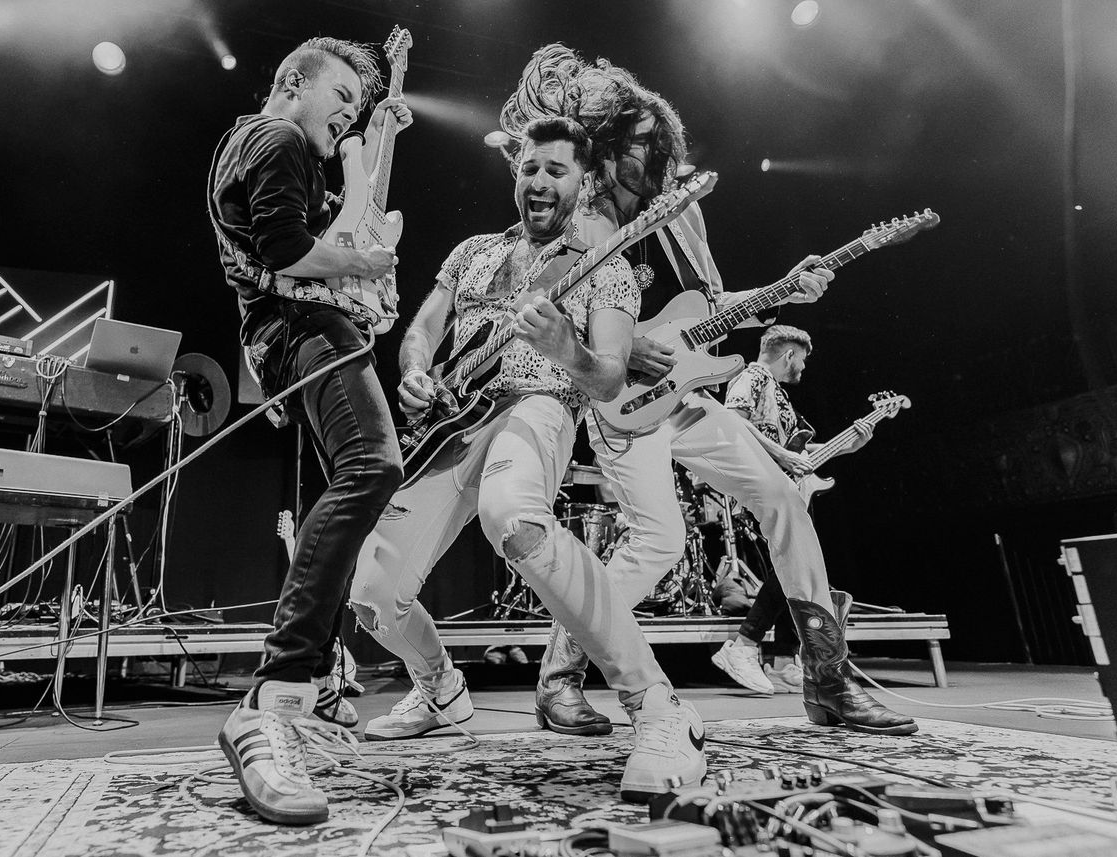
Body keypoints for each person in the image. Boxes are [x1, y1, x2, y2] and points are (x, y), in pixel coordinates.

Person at [498, 45, 917, 737]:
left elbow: (713, 302)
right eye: (643, 145)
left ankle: (828, 679)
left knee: (783, 499)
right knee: (657, 544)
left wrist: (787, 287)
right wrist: (626, 343)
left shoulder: (681, 209)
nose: (658, 156)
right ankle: (560, 672)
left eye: (663, 144)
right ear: (607, 146)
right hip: (620, 405)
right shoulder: (578, 209)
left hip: (687, 395)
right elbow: (535, 300)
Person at [350, 116, 707, 803]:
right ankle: (439, 690)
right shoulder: (474, 251)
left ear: (584, 182)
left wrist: (564, 347)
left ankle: (659, 707)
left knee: (513, 517)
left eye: (557, 170)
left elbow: (605, 378)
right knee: (371, 595)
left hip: (537, 404)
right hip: (454, 422)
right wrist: (418, 366)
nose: (540, 181)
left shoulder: (606, 267)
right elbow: (423, 325)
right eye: (530, 168)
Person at [207, 35, 412, 824]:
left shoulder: (246, 145)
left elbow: (319, 237)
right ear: (293, 81)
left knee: (356, 485)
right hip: (305, 329)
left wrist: (376, 150)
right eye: (341, 103)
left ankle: (311, 692)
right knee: (373, 468)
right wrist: (363, 270)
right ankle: (274, 698)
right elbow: (290, 249)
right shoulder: (280, 135)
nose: (345, 122)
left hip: (290, 333)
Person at [714, 325, 872, 695]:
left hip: (787, 487)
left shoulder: (778, 395)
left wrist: (850, 444)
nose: (803, 367)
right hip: (761, 485)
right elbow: (731, 419)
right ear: (789, 355)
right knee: (792, 565)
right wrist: (783, 454)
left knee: (794, 566)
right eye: (801, 359)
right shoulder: (752, 377)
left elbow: (800, 452)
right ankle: (744, 644)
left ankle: (785, 657)